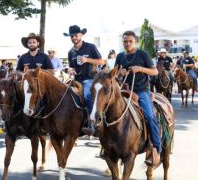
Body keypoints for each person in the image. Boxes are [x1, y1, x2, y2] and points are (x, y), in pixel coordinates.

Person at [114, 30, 161, 166]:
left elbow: (155, 71)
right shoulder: (120, 56)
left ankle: (157, 148)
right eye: (125, 41)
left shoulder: (143, 55)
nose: (127, 44)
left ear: (135, 41)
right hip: (124, 89)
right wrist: (119, 73)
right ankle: (107, 149)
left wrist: (140, 69)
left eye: (130, 41)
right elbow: (115, 74)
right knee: (108, 112)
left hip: (141, 90)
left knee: (150, 116)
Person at [63, 25, 105, 135]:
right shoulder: (70, 52)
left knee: (87, 95)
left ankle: (93, 123)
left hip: (89, 79)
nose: (74, 38)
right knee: (61, 94)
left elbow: (101, 62)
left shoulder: (90, 47)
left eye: (76, 35)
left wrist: (87, 59)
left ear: (81, 35)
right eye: (71, 36)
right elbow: (72, 66)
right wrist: (71, 70)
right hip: (76, 80)